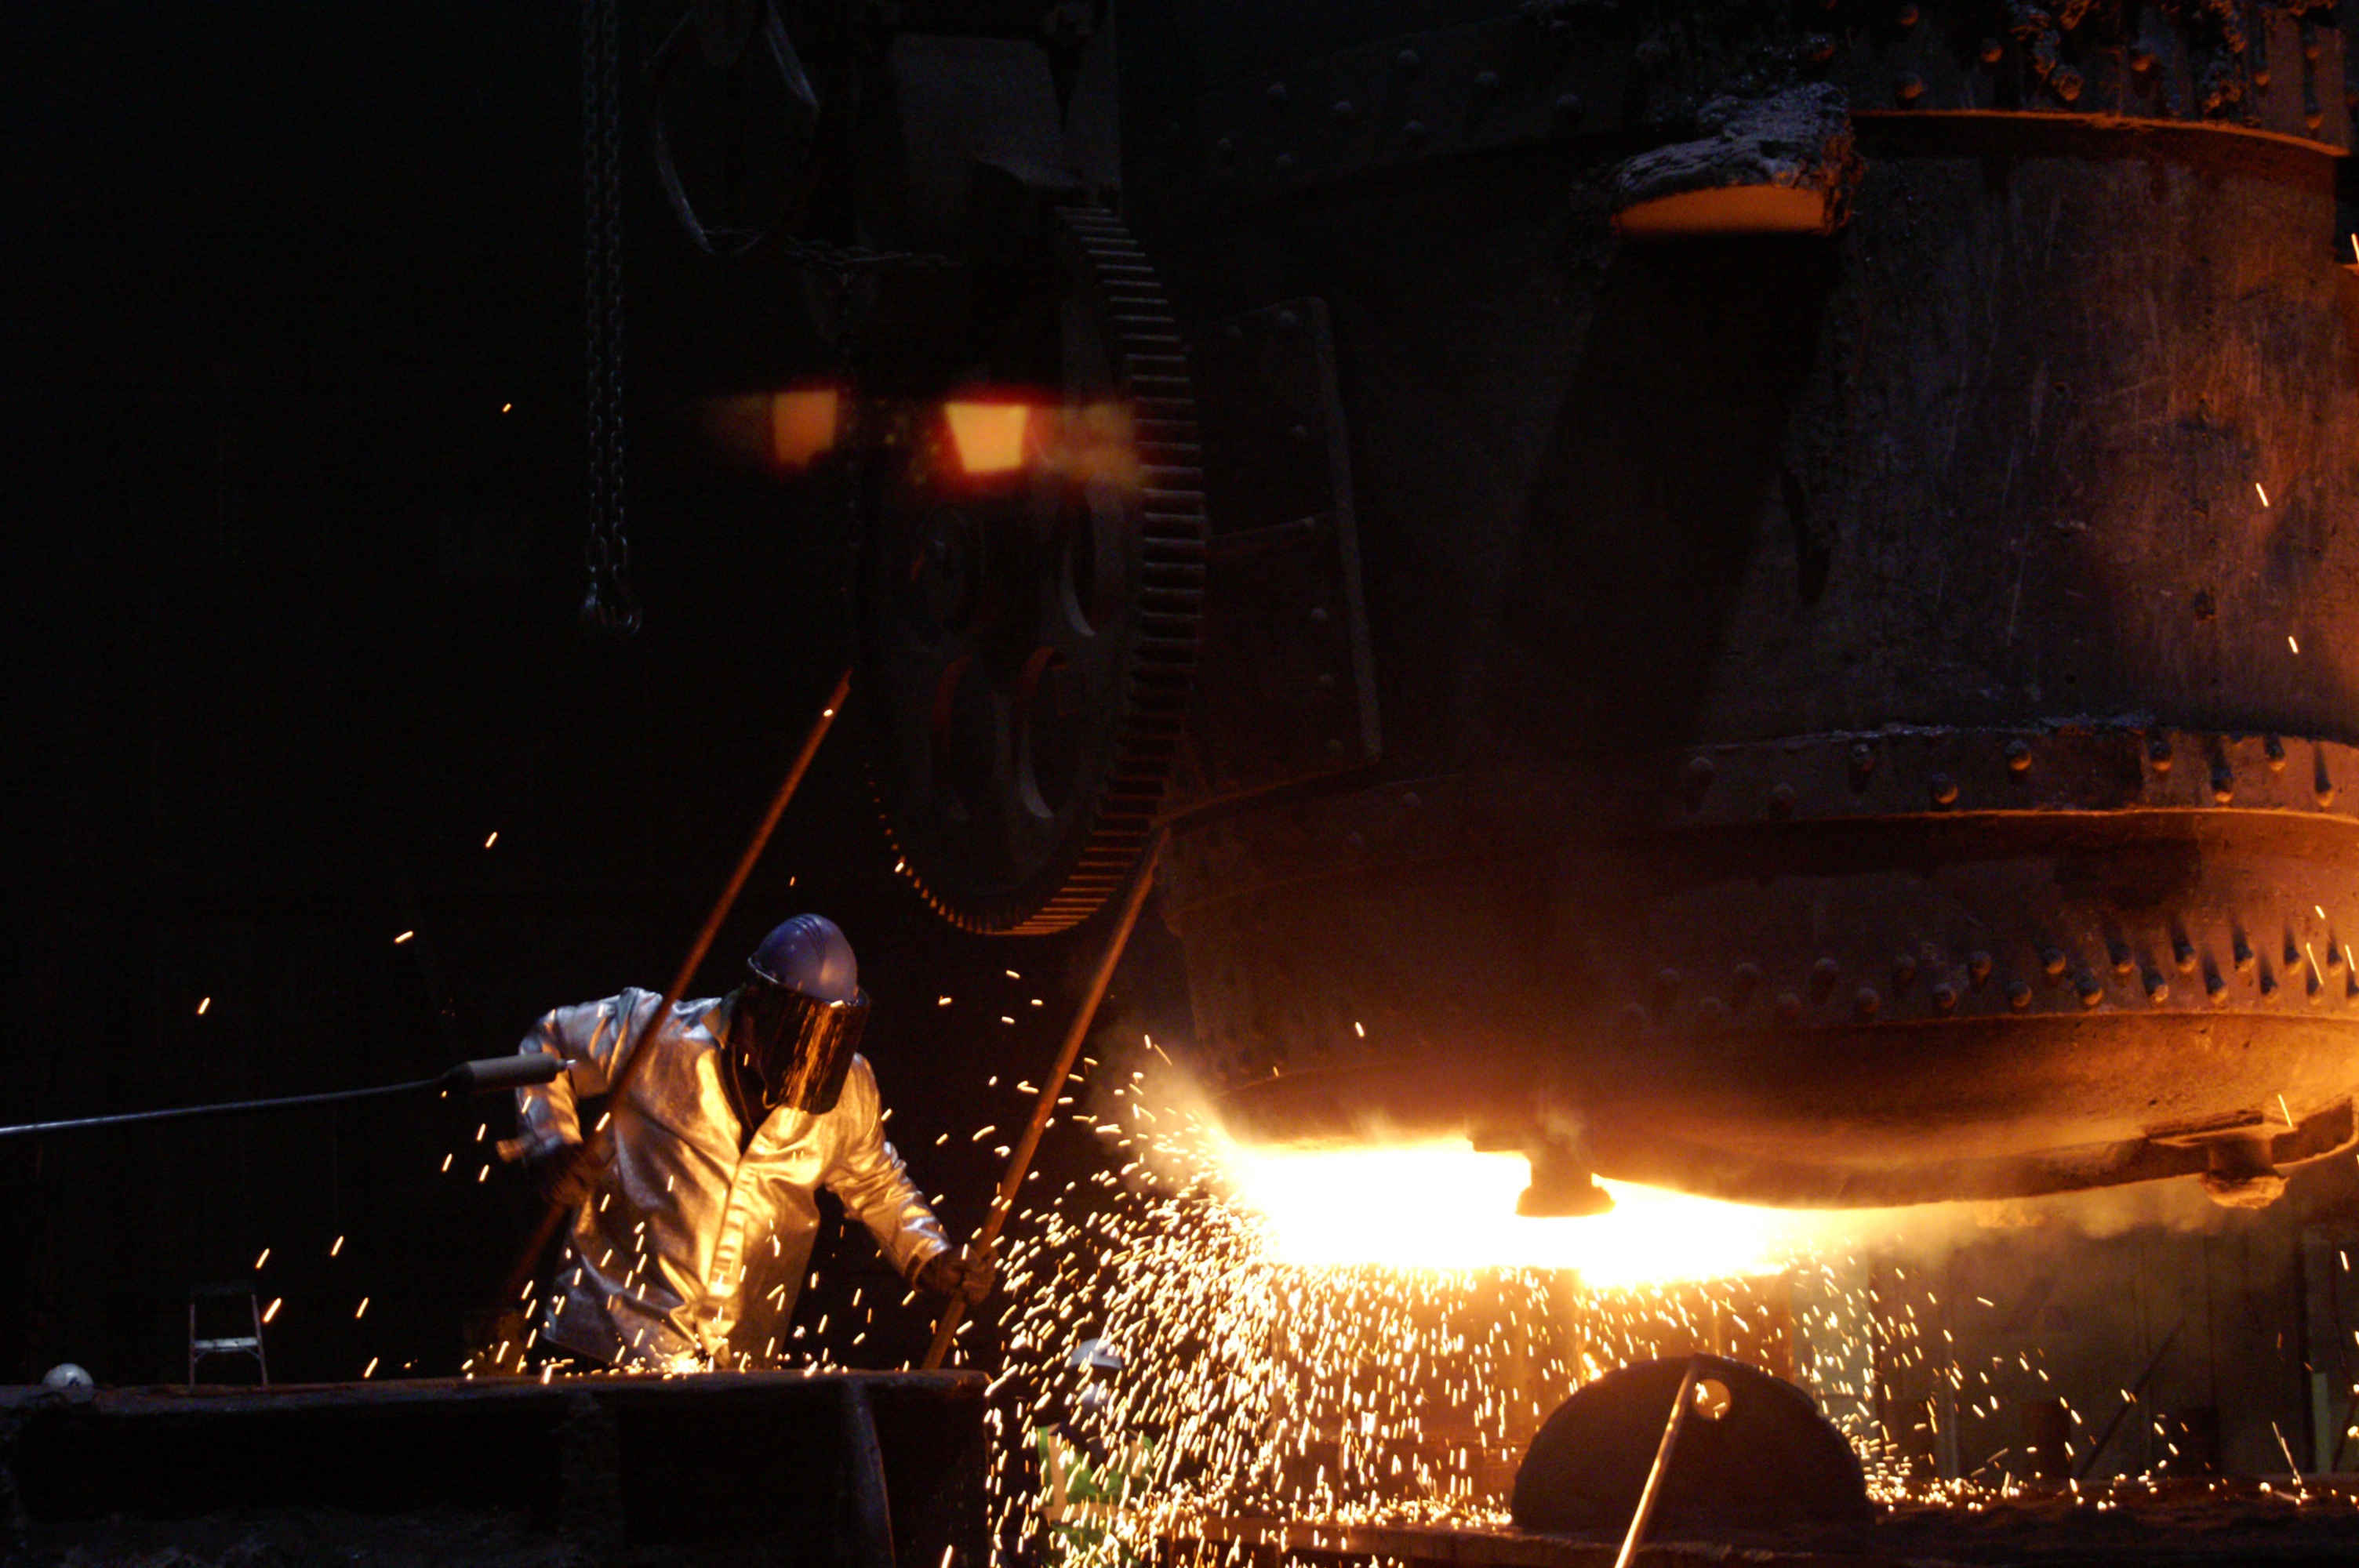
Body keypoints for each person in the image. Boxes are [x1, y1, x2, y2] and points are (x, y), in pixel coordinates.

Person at [512, 913, 993, 1369]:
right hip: (608, 1343)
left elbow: (876, 1181)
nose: (809, 1058)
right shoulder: (652, 1035)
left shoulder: (851, 1087)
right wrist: (550, 1143)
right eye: (798, 1035)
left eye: (826, 1040)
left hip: (737, 1368)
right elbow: (548, 1041)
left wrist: (929, 1254)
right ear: (753, 1006)